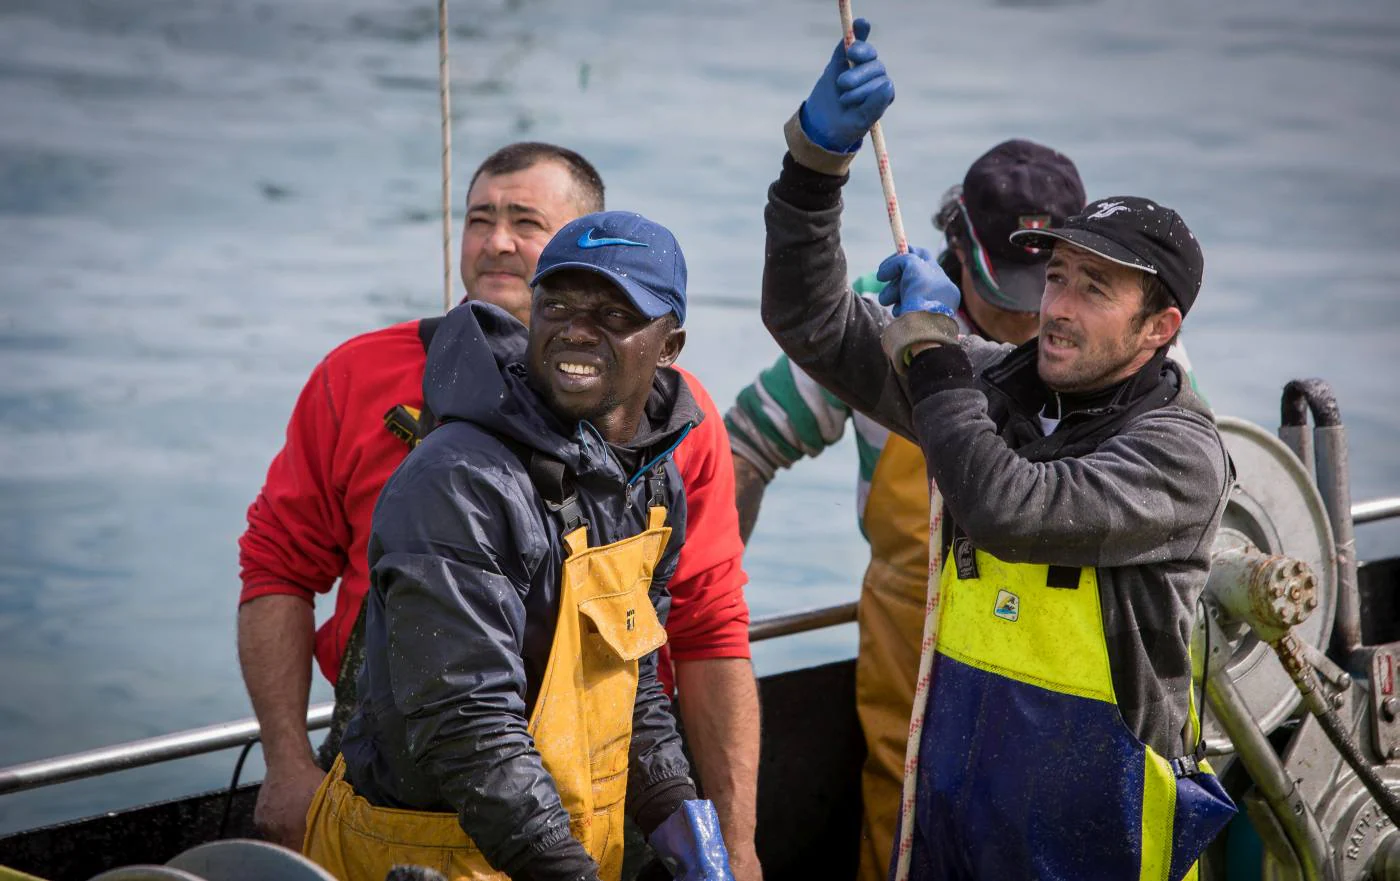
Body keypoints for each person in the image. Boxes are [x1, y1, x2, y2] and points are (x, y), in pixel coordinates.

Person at [758, 20, 1236, 880]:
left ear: (1161, 327)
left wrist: (936, 352)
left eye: (1094, 289)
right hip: (959, 810)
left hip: (1103, 835)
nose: (1056, 306)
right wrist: (813, 167)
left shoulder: (1177, 452)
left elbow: (1012, 508)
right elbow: (811, 320)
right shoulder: (1002, 381)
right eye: (1056, 276)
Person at [237, 143, 760, 879]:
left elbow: (647, 665)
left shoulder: (650, 459)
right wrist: (286, 760)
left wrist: (699, 825)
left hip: (575, 823)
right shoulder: (455, 469)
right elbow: (469, 726)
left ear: (667, 346)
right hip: (433, 840)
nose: (498, 240)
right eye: (480, 218)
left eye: (614, 312)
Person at [724, 139, 1086, 881]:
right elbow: (747, 442)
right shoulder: (880, 317)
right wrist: (704, 613)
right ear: (957, 243)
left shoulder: (1112, 345)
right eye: (1005, 291)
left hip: (1058, 646)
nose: (1027, 321)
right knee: (904, 823)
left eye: (1047, 286)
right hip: (909, 625)